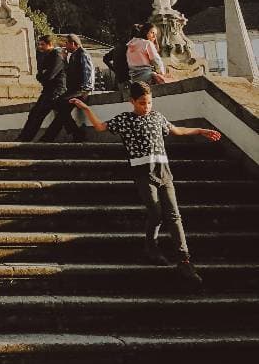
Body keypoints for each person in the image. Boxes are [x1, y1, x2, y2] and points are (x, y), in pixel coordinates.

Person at [70, 81, 220, 284]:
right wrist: (86, 108)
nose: (146, 106)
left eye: (149, 102)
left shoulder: (158, 117)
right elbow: (100, 127)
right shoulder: (125, 119)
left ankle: (184, 260)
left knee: (174, 215)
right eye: (142, 103)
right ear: (132, 101)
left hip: (164, 172)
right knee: (156, 213)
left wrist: (200, 130)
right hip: (143, 172)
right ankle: (151, 246)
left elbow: (176, 130)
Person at [40, 33, 94, 142]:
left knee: (59, 104)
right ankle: (76, 133)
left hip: (81, 90)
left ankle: (50, 137)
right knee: (61, 111)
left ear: (73, 43)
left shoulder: (83, 54)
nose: (65, 45)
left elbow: (88, 73)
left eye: (67, 43)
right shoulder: (74, 55)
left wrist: (85, 91)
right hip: (74, 90)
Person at [18, 34, 67, 142]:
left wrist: (43, 75)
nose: (39, 47)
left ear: (50, 44)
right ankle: (25, 139)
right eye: (39, 44)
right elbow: (39, 75)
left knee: (38, 115)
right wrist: (43, 75)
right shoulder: (47, 55)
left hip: (55, 91)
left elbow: (49, 75)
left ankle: (24, 140)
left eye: (42, 44)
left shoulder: (57, 55)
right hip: (49, 91)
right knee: (35, 114)